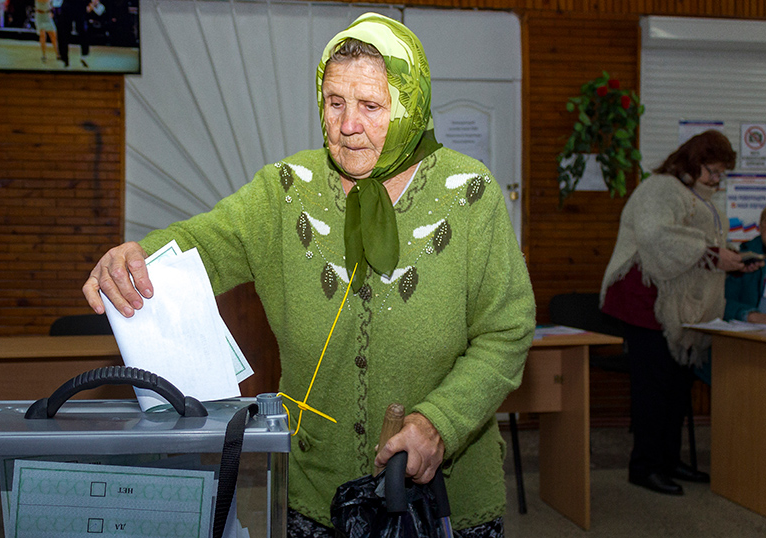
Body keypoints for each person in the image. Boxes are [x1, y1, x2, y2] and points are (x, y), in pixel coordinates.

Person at [83, 13, 535, 536]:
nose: (348, 124)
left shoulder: (470, 193)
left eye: (370, 106)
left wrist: (440, 424)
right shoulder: (285, 189)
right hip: (315, 495)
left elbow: (507, 329)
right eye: (335, 102)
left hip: (445, 499)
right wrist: (136, 255)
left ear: (409, 105)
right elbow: (203, 243)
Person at [600, 130, 761, 496]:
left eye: (722, 174)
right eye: (713, 171)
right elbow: (658, 236)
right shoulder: (660, 188)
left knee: (676, 389)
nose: (717, 180)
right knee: (652, 389)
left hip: (678, 308)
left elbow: (708, 245)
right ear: (692, 162)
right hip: (647, 303)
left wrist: (734, 258)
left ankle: (669, 461)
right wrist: (714, 255)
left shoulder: (699, 198)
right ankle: (644, 466)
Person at [724, 206, 766, 323]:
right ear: (761, 226)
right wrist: (750, 315)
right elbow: (722, 304)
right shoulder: (743, 260)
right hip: (751, 334)